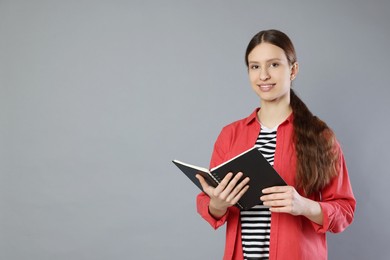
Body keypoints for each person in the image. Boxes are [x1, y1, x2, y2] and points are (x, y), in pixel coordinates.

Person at [195, 29, 356, 260]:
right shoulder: (230, 135)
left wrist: (304, 206)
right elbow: (208, 203)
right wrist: (217, 204)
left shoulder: (320, 136)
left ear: (293, 70)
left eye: (274, 65)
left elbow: (345, 210)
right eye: (255, 66)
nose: (263, 75)